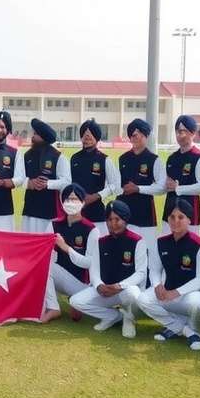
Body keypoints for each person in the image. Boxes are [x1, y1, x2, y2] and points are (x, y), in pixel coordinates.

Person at [138, 199, 200, 350]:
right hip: (167, 291)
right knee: (143, 299)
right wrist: (157, 285)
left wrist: (177, 292)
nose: (176, 221)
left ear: (189, 219)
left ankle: (190, 327)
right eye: (172, 217)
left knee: (195, 303)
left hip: (190, 295)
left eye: (181, 217)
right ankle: (186, 331)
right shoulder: (161, 242)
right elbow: (155, 269)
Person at [69, 200, 147, 337]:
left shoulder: (137, 241)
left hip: (124, 290)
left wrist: (119, 286)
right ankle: (113, 316)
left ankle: (129, 319)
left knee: (133, 293)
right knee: (75, 301)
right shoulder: (101, 242)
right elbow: (94, 269)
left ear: (125, 219)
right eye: (109, 219)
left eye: (117, 219)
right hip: (105, 290)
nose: (113, 223)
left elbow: (141, 273)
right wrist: (99, 285)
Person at [42, 184, 100, 323]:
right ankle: (52, 307)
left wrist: (66, 247)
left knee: (76, 316)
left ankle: (71, 301)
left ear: (83, 202)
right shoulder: (54, 225)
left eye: (75, 199)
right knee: (44, 265)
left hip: (82, 284)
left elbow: (89, 263)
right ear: (62, 203)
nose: (71, 203)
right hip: (61, 276)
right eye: (67, 200)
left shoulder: (91, 230)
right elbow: (42, 251)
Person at [117, 118, 166, 252]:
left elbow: (162, 188)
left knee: (147, 252)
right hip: (124, 214)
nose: (136, 137)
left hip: (145, 215)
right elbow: (117, 184)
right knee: (126, 252)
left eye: (140, 134)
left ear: (146, 136)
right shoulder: (123, 159)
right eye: (133, 134)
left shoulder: (154, 160)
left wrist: (138, 188)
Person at [69, 119, 119, 236]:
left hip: (97, 214)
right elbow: (69, 183)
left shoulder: (105, 159)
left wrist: (96, 196)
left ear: (96, 138)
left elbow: (115, 185)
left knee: (98, 247)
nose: (87, 138)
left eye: (90, 136)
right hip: (76, 211)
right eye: (84, 136)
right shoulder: (74, 158)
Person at [163, 115, 200, 236]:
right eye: (178, 132)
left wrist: (178, 188)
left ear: (193, 133)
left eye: (183, 131)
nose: (180, 135)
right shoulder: (172, 158)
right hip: (169, 213)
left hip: (190, 216)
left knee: (189, 252)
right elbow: (167, 184)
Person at [21, 118, 71, 233]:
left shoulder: (58, 157)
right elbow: (20, 177)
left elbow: (67, 181)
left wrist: (47, 184)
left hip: (50, 212)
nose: (32, 137)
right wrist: (29, 183)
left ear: (42, 137)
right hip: (29, 210)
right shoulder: (27, 155)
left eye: (35, 134)